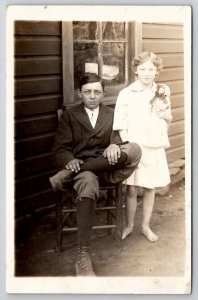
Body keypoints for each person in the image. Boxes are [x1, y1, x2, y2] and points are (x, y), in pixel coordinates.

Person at [49, 72, 142, 276]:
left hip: (107, 166)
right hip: (81, 171)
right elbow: (61, 148)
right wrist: (69, 161)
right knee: (88, 181)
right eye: (87, 92)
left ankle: (65, 174)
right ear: (79, 93)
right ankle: (83, 257)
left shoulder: (111, 114)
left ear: (103, 93)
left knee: (135, 148)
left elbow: (120, 138)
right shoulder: (70, 116)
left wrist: (114, 145)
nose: (92, 96)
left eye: (97, 92)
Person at [113, 52, 172, 242]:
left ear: (157, 71)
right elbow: (120, 123)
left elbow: (169, 119)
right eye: (143, 69)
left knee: (150, 187)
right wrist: (129, 148)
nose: (147, 73)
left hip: (154, 144)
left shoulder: (162, 90)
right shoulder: (127, 93)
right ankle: (129, 225)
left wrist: (163, 114)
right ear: (136, 71)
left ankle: (145, 226)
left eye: (151, 69)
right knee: (131, 188)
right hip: (135, 146)